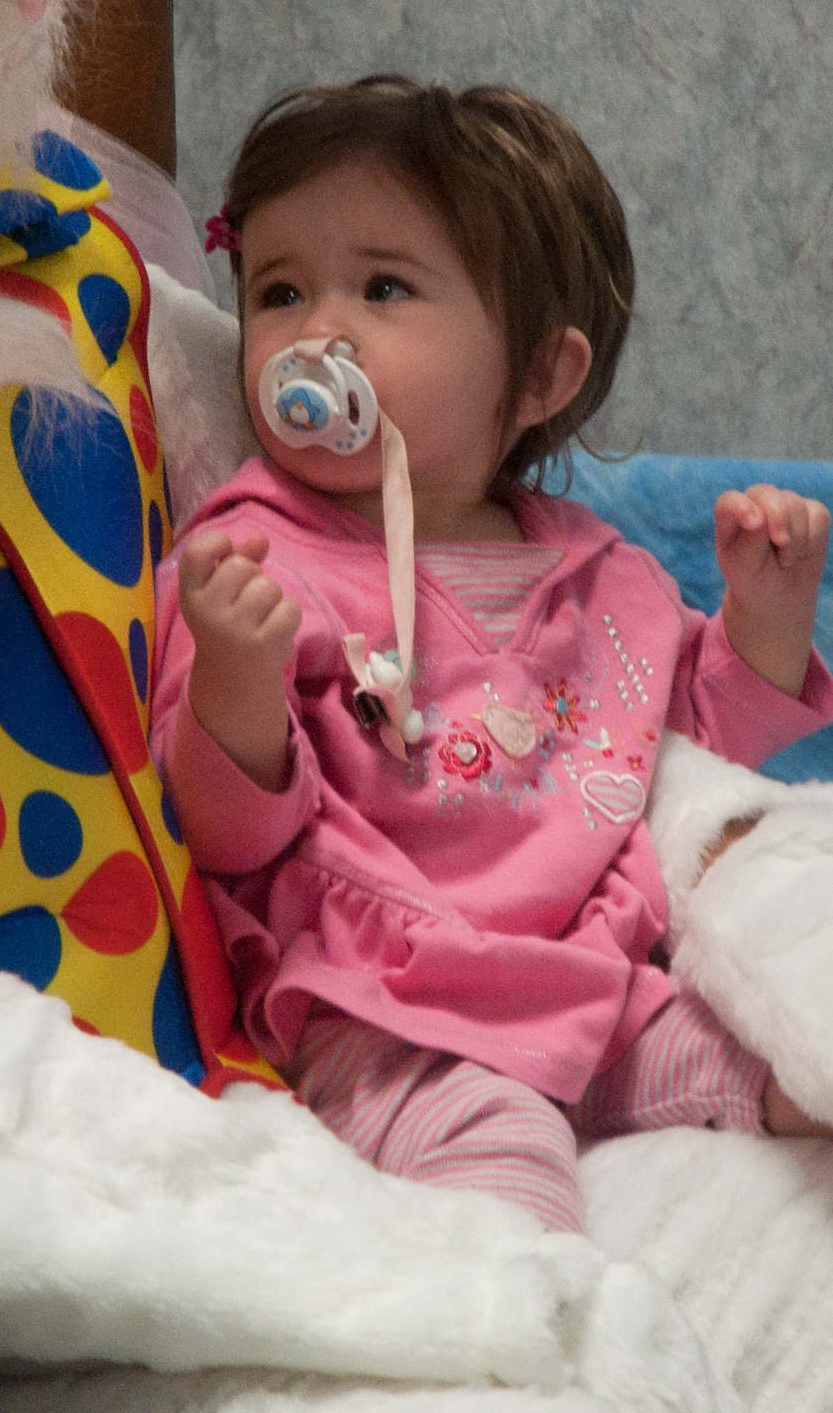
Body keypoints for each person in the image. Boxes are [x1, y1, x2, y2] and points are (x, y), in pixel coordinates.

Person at [152, 74, 833, 1232]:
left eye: (381, 286)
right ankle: (522, 1323)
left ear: (537, 376)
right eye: (277, 289)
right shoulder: (256, 557)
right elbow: (225, 831)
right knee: (499, 1151)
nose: (316, 330)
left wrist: (766, 611)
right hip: (392, 1005)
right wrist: (235, 673)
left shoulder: (600, 571)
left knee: (774, 1066)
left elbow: (677, 752)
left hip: (593, 986)